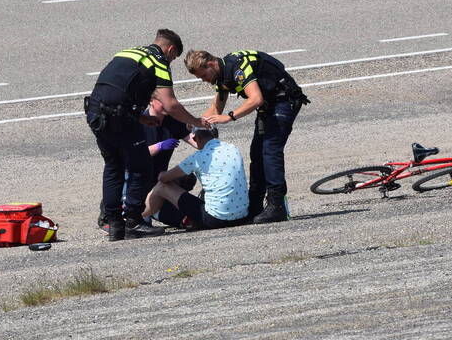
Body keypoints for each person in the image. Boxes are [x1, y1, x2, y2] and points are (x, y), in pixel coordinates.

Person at [85, 29, 207, 242]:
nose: (170, 62)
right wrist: (196, 121)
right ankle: (133, 221)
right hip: (119, 116)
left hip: (96, 113)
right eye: (173, 57)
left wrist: (140, 119)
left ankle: (114, 224)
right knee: (141, 166)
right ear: (170, 49)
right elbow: (170, 103)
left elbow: (118, 90)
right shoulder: (158, 60)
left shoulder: (128, 53)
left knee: (113, 165)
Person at [184, 49, 309, 223]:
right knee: (256, 154)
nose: (203, 80)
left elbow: (256, 99)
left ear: (210, 64)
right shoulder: (221, 76)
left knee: (270, 151)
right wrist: (193, 122)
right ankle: (255, 206)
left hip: (284, 101)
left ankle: (277, 205)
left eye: (203, 75)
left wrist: (230, 116)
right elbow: (215, 111)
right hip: (269, 106)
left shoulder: (237, 67)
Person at [96, 96, 197, 233]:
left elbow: (194, 141)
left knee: (186, 179)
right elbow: (131, 155)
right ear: (151, 101)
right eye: (162, 102)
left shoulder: (173, 122)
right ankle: (110, 214)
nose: (167, 104)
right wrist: (159, 146)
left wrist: (207, 138)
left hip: (156, 178)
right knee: (138, 220)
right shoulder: (139, 123)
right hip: (134, 176)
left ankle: (160, 212)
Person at [143, 127, 249, 230]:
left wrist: (161, 173)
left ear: (196, 138)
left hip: (216, 218)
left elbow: (163, 179)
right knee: (191, 178)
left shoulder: (197, 157)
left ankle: (138, 217)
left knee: (162, 186)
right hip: (242, 215)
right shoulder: (232, 148)